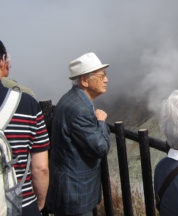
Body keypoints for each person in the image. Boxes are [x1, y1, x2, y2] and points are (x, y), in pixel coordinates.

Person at [46, 52, 111, 216]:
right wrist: (101, 122)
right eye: (101, 75)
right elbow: (101, 147)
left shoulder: (71, 99)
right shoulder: (80, 109)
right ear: (84, 80)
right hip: (75, 193)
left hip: (69, 186)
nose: (106, 80)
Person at [0, 40, 50, 215]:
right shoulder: (26, 104)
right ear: (2, 61)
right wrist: (40, 202)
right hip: (20, 204)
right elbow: (40, 168)